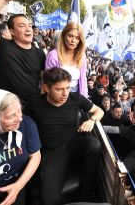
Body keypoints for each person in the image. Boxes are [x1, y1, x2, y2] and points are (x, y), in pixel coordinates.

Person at [28, 67, 104, 205]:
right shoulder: (35, 103)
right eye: (59, 89)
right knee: (49, 199)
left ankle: (85, 194)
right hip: (52, 152)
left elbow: (99, 111)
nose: (65, 94)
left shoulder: (75, 98)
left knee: (94, 145)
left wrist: (91, 121)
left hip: (73, 144)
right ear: (46, 88)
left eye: (68, 88)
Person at [45, 22, 88, 96]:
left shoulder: (82, 56)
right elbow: (48, 81)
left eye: (77, 38)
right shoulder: (53, 55)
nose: (73, 41)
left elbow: (83, 80)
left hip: (76, 94)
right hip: (57, 95)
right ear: (64, 36)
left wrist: (84, 99)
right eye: (70, 36)